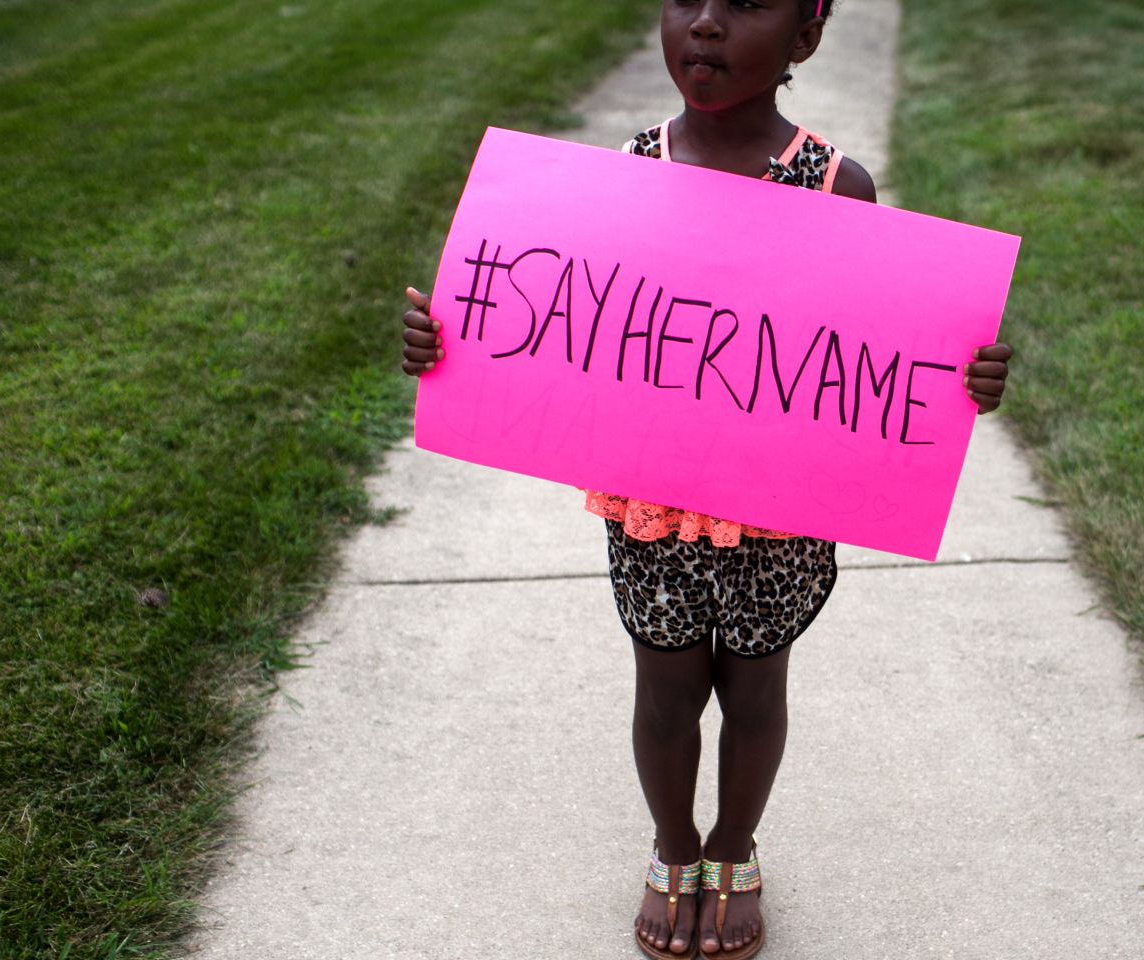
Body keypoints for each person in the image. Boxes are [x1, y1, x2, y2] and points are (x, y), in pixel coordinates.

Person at [400, 1, 1012, 956]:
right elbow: (558, 311)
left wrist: (961, 376)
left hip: (778, 513)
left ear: (804, 39)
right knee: (665, 690)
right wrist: (453, 343)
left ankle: (735, 847)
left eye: (747, 3)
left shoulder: (836, 186)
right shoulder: (626, 175)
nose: (708, 26)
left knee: (757, 692)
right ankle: (672, 846)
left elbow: (881, 350)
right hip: (653, 506)